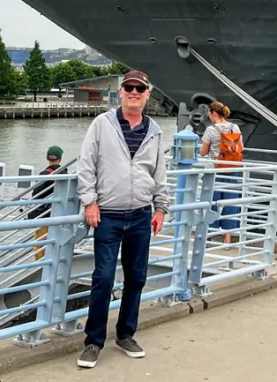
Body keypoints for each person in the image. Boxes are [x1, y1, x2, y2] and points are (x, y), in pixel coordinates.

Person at [75, 70, 168, 369]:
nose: (133, 92)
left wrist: (161, 208)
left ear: (147, 94)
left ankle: (126, 334)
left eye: (139, 88)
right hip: (109, 215)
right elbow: (86, 164)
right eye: (128, 87)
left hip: (141, 214)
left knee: (136, 278)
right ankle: (93, 341)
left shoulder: (154, 130)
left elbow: (159, 173)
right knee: (102, 278)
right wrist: (89, 201)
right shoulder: (102, 124)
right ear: (120, 92)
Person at [199, 101, 243, 244]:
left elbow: (203, 152)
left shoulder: (211, 130)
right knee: (230, 202)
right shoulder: (234, 127)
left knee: (211, 202)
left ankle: (209, 235)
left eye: (209, 114)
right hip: (232, 168)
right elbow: (241, 147)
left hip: (215, 170)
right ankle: (227, 240)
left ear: (213, 114)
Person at [28, 145, 64, 260]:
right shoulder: (66, 174)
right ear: (60, 159)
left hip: (45, 216)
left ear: (47, 158)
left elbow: (36, 196)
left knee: (40, 245)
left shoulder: (44, 175)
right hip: (62, 216)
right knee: (58, 243)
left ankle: (41, 268)